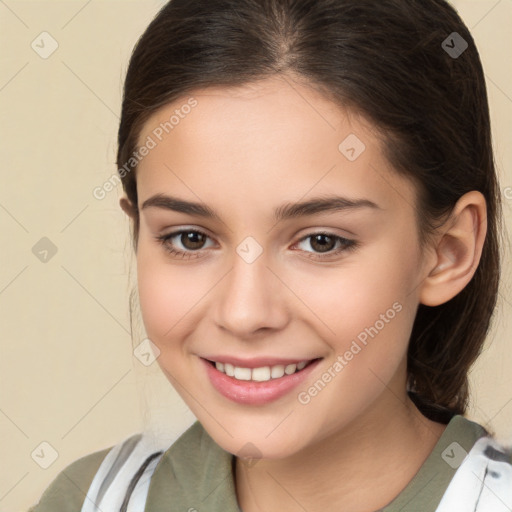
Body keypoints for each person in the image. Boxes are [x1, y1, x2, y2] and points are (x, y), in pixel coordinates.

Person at [28, 0, 511, 511]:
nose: (244, 313)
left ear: (447, 252)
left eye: (321, 241)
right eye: (190, 238)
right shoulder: (88, 501)